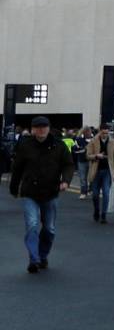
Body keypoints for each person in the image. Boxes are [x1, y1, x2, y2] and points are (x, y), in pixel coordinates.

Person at [10, 115, 74, 273]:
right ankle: (34, 259)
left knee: (49, 229)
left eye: (44, 127)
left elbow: (68, 165)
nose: (41, 130)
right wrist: (14, 187)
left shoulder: (59, 146)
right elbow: (17, 168)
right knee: (31, 225)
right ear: (32, 130)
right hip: (30, 192)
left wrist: (65, 181)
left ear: (48, 128)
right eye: (38, 127)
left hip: (51, 192)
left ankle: (42, 255)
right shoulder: (25, 146)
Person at [86, 126, 114, 223]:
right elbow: (88, 155)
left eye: (107, 133)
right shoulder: (93, 141)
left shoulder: (113, 142)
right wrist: (96, 156)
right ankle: (96, 210)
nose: (105, 135)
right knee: (95, 194)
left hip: (107, 171)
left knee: (106, 193)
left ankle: (104, 214)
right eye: (103, 133)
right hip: (96, 171)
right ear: (99, 132)